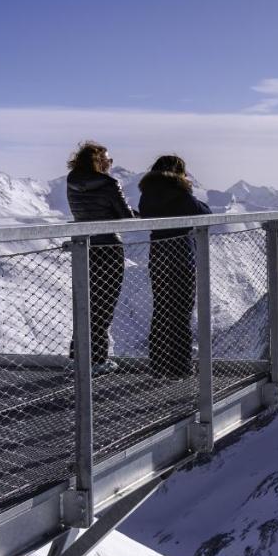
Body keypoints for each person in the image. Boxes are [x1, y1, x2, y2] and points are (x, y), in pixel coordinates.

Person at [65, 141, 135, 374]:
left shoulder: (72, 182)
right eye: (109, 159)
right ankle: (97, 360)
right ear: (99, 161)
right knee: (104, 305)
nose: (111, 164)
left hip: (84, 247)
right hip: (108, 247)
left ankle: (79, 358)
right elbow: (125, 215)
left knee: (85, 303)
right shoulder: (109, 184)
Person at [138, 155, 210, 378]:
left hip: (158, 255)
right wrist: (187, 190)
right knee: (181, 313)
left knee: (161, 310)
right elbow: (204, 213)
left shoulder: (147, 194)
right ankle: (180, 367)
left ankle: (158, 366)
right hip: (181, 257)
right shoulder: (180, 192)